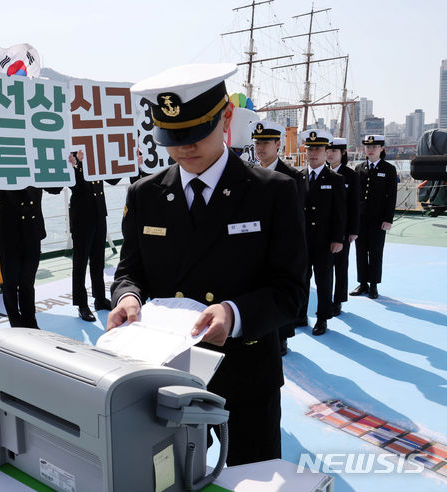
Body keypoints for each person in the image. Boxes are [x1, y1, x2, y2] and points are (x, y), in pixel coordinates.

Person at [107, 63, 308, 466]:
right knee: (169, 475)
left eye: (197, 132)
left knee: (252, 475)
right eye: (172, 138)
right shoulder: (145, 194)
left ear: (226, 119)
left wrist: (233, 314)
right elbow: (131, 269)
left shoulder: (274, 192)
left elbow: (290, 291)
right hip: (165, 375)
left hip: (246, 373)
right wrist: (128, 297)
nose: (184, 148)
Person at [0, 148, 59, 329]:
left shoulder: (38, 165)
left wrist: (68, 167)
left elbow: (54, 188)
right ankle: (16, 324)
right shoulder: (3, 164)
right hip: (10, 235)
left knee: (27, 282)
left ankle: (30, 322)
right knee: (10, 284)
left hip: (32, 234)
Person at [250, 120, 307, 354]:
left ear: (278, 144)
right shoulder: (248, 174)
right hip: (254, 245)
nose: (260, 147)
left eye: (265, 142)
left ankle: (283, 337)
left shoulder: (293, 177)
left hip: (281, 245)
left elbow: (298, 217)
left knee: (279, 290)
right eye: (256, 142)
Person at [297, 130, 346, 336]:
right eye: (310, 149)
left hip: (325, 240)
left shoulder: (335, 179)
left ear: (326, 152)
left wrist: (338, 239)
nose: (313, 153)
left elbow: (340, 213)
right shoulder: (298, 177)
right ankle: (300, 314)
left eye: (318, 149)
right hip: (303, 240)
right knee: (301, 278)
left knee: (324, 280)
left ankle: (322, 318)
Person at [67, 149, 117, 321]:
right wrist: (76, 165)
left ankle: (100, 298)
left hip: (99, 213)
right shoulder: (72, 154)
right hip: (82, 216)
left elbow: (114, 179)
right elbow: (75, 186)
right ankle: (81, 304)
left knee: (98, 259)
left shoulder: (97, 152)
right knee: (80, 262)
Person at [350, 135, 397, 299]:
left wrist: (388, 219)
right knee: (361, 251)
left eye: (374, 147)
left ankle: (374, 285)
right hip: (361, 218)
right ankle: (363, 283)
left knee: (376, 251)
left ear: (381, 149)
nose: (370, 150)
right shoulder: (359, 168)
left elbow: (391, 197)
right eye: (367, 147)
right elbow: (355, 196)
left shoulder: (388, 169)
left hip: (378, 219)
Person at [326, 137, 360, 315]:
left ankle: (338, 300)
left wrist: (353, 230)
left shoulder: (351, 175)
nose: (330, 154)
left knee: (340, 266)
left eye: (334, 151)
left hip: (343, 230)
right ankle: (325, 299)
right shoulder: (321, 173)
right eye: (328, 150)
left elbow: (355, 204)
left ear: (343, 153)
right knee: (324, 268)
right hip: (324, 229)